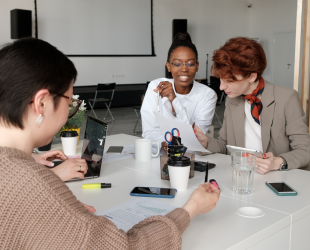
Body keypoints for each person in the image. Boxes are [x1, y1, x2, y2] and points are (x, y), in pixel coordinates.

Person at [0, 38, 220, 249]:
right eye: (70, 101)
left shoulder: (20, 174)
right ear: (41, 103)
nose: (70, 110)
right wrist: (191, 208)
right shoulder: (34, 185)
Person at [195, 37, 310, 174]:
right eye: (220, 79)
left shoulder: (286, 98)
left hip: (278, 178)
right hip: (243, 176)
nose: (221, 87)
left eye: (229, 80)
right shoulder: (232, 99)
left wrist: (278, 162)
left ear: (251, 76)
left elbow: (305, 150)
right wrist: (205, 142)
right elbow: (225, 145)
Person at [141, 32, 217, 153]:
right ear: (168, 66)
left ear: (197, 66)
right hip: (159, 155)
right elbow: (149, 131)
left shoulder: (208, 95)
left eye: (190, 64)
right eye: (177, 64)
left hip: (191, 159)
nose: (184, 69)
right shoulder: (155, 87)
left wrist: (174, 100)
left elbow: (194, 139)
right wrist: (163, 143)